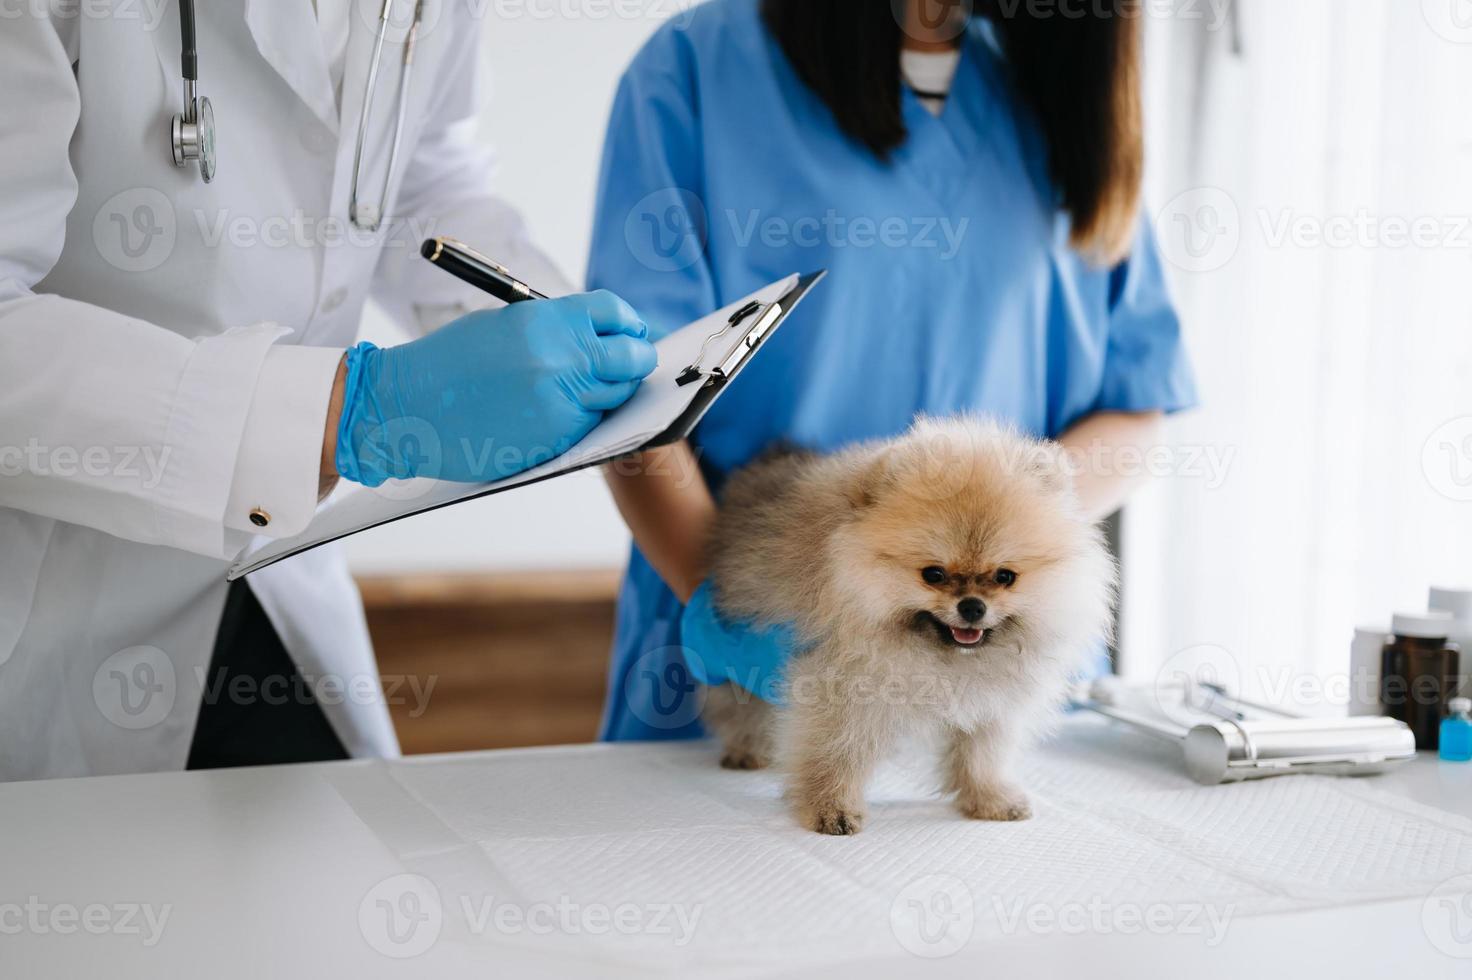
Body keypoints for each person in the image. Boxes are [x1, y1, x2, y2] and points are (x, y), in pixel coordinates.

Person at [0, 3, 656, 779]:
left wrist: (545, 321)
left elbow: (418, 180)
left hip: (273, 564)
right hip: (48, 598)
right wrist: (351, 410)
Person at [588, 0, 1198, 740]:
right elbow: (629, 393)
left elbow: (1135, 404)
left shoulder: (1059, 91)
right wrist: (723, 609)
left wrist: (1009, 533)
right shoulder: (699, 63)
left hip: (1002, 684)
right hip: (757, 648)